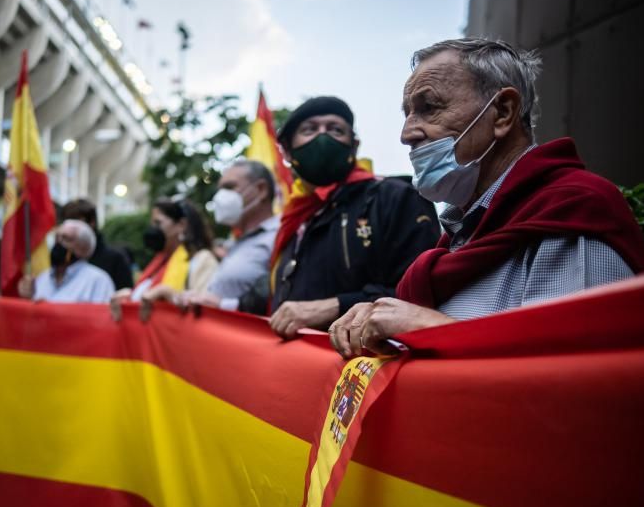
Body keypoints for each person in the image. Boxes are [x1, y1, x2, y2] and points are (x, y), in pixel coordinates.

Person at [329, 37, 644, 358]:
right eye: (407, 114)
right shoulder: (459, 237)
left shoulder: (573, 210)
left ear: (502, 112)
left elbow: (580, 375)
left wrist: (435, 332)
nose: (407, 133)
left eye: (429, 108)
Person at [267, 96, 441, 338]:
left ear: (354, 146)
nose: (323, 136)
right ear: (286, 150)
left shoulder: (394, 197)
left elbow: (421, 292)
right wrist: (222, 303)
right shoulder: (295, 219)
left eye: (335, 129)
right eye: (309, 130)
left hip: (365, 367)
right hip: (297, 366)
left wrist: (336, 305)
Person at [176, 159, 279, 313]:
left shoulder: (281, 235)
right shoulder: (235, 243)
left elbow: (279, 297)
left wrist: (224, 305)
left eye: (230, 187)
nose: (220, 196)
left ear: (261, 189)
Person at [110, 198, 218, 319]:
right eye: (152, 224)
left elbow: (205, 309)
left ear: (181, 225)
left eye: (158, 223)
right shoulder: (159, 261)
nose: (153, 229)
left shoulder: (202, 259)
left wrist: (168, 294)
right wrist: (129, 298)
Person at [18, 219, 114, 303]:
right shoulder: (41, 279)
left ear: (83, 247)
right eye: (56, 238)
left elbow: (101, 318)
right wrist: (28, 298)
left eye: (66, 238)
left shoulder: (98, 281)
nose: (59, 243)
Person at [61, 198, 133, 290]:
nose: (68, 229)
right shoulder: (63, 259)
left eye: (76, 223)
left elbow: (125, 294)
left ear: (92, 223)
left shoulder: (115, 259)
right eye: (66, 223)